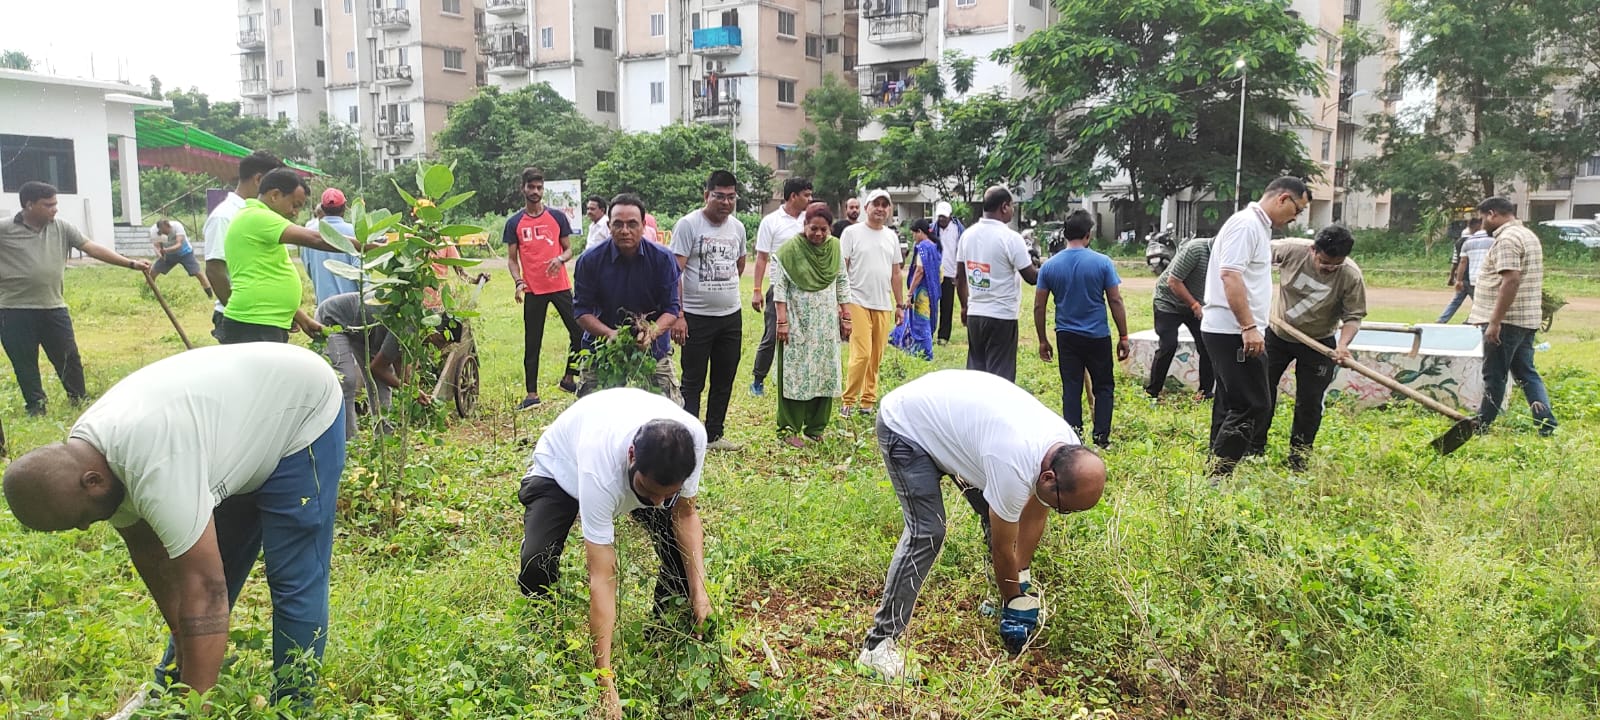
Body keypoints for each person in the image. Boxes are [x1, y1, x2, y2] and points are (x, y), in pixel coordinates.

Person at [2, 344, 345, 702]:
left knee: (293, 577)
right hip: (233, 427)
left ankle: (293, 702)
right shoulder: (89, 460)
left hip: (300, 409)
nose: (86, 528)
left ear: (93, 482)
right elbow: (150, 553)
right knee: (208, 564)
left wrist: (195, 707)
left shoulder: (156, 464)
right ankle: (169, 691)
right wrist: (181, 633)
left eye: (80, 520)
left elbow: (207, 592)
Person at [856, 369, 1106, 680]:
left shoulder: (1066, 447)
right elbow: (1004, 548)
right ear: (1048, 478)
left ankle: (997, 598)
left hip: (956, 427)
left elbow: (1036, 513)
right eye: (1062, 508)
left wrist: (1020, 579)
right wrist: (1015, 598)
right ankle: (877, 647)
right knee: (928, 533)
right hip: (908, 425)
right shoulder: (1014, 465)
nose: (1059, 512)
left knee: (1000, 518)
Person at [515, 388, 711, 720]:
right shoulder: (599, 468)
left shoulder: (692, 438)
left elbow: (685, 514)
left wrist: (700, 592)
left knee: (682, 563)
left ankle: (662, 638)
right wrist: (605, 682)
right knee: (538, 563)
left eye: (670, 493)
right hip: (560, 471)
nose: (661, 503)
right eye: (651, 492)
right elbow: (602, 578)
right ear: (631, 455)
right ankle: (540, 636)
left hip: (628, 466)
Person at [0, 181, 152, 416]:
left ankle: (78, 399)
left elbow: (91, 247)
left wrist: (130, 263)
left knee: (68, 356)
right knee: (24, 362)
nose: (55, 209)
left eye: (55, 203)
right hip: (13, 309)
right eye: (48, 205)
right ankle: (36, 406)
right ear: (29, 205)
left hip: (53, 306)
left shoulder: (61, 227)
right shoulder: (5, 230)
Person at [1201, 177, 1310, 477]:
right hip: (1232, 330)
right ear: (1283, 198)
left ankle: (1215, 467)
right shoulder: (1246, 225)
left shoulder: (1257, 227)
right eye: (1297, 209)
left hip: (1232, 328)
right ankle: (1217, 477)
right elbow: (1230, 276)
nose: (1295, 218)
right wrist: (1248, 326)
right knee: (1253, 404)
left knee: (1230, 401)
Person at [1255, 225, 1367, 471]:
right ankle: (1255, 448)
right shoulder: (1290, 250)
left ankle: (1299, 457)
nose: (1328, 268)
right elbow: (1253, 255)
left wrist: (1343, 345)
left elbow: (1353, 317)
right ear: (1313, 249)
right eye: (1324, 262)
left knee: (1310, 402)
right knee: (1262, 392)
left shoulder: (1351, 275)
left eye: (1334, 265)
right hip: (1278, 334)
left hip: (1319, 342)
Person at [218, 168, 358, 344]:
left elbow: (268, 274)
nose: (295, 213)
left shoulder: (258, 219)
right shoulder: (258, 217)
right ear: (275, 195)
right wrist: (368, 245)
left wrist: (301, 317)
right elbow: (316, 239)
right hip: (255, 322)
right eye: (295, 205)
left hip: (262, 321)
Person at [572, 194, 683, 402]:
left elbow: (671, 308)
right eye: (618, 224)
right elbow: (581, 312)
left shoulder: (662, 258)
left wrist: (652, 332)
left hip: (653, 347)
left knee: (668, 415)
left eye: (632, 224)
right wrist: (609, 334)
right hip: (602, 348)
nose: (625, 231)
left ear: (643, 226)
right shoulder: (589, 260)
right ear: (608, 226)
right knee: (593, 415)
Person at [1034, 210, 1129, 448]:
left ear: (1065, 234)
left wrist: (1042, 340)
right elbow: (1115, 300)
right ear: (1088, 235)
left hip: (1066, 336)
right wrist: (1124, 335)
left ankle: (1074, 438)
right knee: (1104, 386)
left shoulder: (1049, 266)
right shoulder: (1102, 263)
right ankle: (1101, 438)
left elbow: (1039, 305)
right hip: (1097, 336)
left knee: (1071, 387)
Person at [671, 170, 749, 451]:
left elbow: (739, 266)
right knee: (692, 380)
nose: (725, 203)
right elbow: (674, 273)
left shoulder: (738, 228)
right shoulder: (688, 225)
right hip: (694, 316)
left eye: (731, 197)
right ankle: (689, 438)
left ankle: (714, 434)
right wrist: (678, 315)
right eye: (719, 196)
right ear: (707, 195)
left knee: (724, 377)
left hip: (730, 316)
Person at [1468, 196, 1558, 434]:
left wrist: (1495, 322)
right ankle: (1546, 424)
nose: (1481, 224)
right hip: (1526, 318)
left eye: (1482, 218)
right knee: (1526, 373)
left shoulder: (1507, 239)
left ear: (1492, 214)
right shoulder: (1527, 235)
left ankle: (1482, 424)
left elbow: (1511, 280)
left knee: (1494, 375)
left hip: (1506, 321)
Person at [772, 203, 851, 446]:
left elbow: (842, 282)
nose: (817, 234)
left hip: (825, 325)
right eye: (813, 228)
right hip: (797, 322)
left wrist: (846, 316)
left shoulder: (835, 248)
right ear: (804, 225)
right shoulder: (790, 250)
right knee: (796, 375)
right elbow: (780, 288)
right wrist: (782, 322)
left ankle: (816, 428)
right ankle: (789, 430)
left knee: (824, 373)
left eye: (823, 230)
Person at [505, 168, 581, 410]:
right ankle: (532, 394)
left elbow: (569, 249)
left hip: (560, 286)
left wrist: (560, 259)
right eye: (531, 187)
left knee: (579, 333)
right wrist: (518, 282)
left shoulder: (557, 217)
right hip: (534, 290)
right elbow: (511, 259)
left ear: (543, 189)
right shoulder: (514, 222)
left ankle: (570, 379)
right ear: (523, 189)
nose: (535, 191)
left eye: (539, 187)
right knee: (533, 341)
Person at [956, 186, 1039, 382]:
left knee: (977, 376)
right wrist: (1044, 267)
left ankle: (975, 412)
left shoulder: (967, 235)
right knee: (1000, 380)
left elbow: (960, 277)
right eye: (1011, 206)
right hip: (1001, 316)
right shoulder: (1011, 238)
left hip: (975, 314)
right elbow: (1032, 277)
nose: (1012, 210)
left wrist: (964, 306)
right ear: (1004, 207)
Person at [840, 189, 906, 417]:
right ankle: (847, 400)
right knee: (862, 353)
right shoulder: (851, 233)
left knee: (876, 355)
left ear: (889, 210)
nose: (880, 208)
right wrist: (841, 303)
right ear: (866, 207)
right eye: (875, 204)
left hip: (883, 304)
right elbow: (843, 268)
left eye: (884, 205)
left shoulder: (892, 237)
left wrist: (900, 304)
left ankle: (867, 401)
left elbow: (896, 273)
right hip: (857, 300)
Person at [204, 150, 283, 334]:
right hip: (244, 319)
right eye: (276, 186)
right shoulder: (224, 216)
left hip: (267, 316)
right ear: (259, 179)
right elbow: (215, 270)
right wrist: (239, 315)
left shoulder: (260, 215)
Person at [750, 177, 813, 396]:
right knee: (773, 334)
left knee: (804, 335)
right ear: (793, 196)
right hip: (779, 288)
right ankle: (758, 380)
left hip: (805, 287)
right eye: (806, 195)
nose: (810, 199)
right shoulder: (771, 221)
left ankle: (798, 378)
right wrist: (757, 290)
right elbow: (761, 258)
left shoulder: (809, 219)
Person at [315, 291, 395, 438]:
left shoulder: (416, 333)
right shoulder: (408, 326)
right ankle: (349, 442)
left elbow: (397, 360)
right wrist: (408, 388)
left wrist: (410, 384)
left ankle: (385, 438)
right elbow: (377, 368)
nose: (440, 347)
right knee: (346, 381)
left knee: (381, 384)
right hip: (333, 320)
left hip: (364, 330)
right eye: (441, 342)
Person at [1147, 235, 1215, 399]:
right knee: (1168, 345)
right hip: (1168, 301)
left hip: (1196, 304)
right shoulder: (1196, 249)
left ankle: (1205, 393)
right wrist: (1194, 305)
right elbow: (1173, 281)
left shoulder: (1226, 257)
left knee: (1207, 346)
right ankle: (1153, 392)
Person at [888, 218, 941, 360]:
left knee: (921, 322)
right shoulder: (934, 246)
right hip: (931, 291)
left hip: (921, 292)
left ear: (920, 232)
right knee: (918, 320)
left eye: (914, 234)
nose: (913, 237)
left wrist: (910, 292)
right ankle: (914, 348)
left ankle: (925, 352)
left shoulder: (923, 247)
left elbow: (919, 271)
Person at [300, 188, 362, 305]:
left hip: (324, 305)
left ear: (322, 209)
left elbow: (308, 269)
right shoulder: (355, 232)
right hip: (351, 307)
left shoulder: (309, 234)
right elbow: (360, 274)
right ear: (344, 208)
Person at [1438, 217, 1492, 323]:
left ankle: (1441, 320)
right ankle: (1468, 322)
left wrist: (1454, 278)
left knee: (1456, 301)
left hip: (1464, 278)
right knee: (1479, 304)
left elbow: (1456, 262)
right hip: (1477, 278)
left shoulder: (1460, 243)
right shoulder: (1490, 240)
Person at [148, 219, 213, 297]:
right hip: (168, 255)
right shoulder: (153, 230)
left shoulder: (177, 226)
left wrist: (166, 250)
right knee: (153, 272)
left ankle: (209, 293)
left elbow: (179, 245)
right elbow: (156, 246)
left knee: (198, 273)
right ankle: (147, 291)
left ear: (169, 226)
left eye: (166, 232)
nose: (165, 234)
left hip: (185, 253)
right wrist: (160, 255)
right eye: (162, 232)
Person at [933, 201, 966, 344]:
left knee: (947, 306)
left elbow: (962, 252)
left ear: (950, 216)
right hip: (935, 273)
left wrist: (959, 273)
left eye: (944, 217)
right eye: (939, 217)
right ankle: (929, 333)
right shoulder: (932, 229)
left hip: (950, 273)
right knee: (932, 305)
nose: (941, 220)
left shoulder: (958, 230)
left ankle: (943, 336)